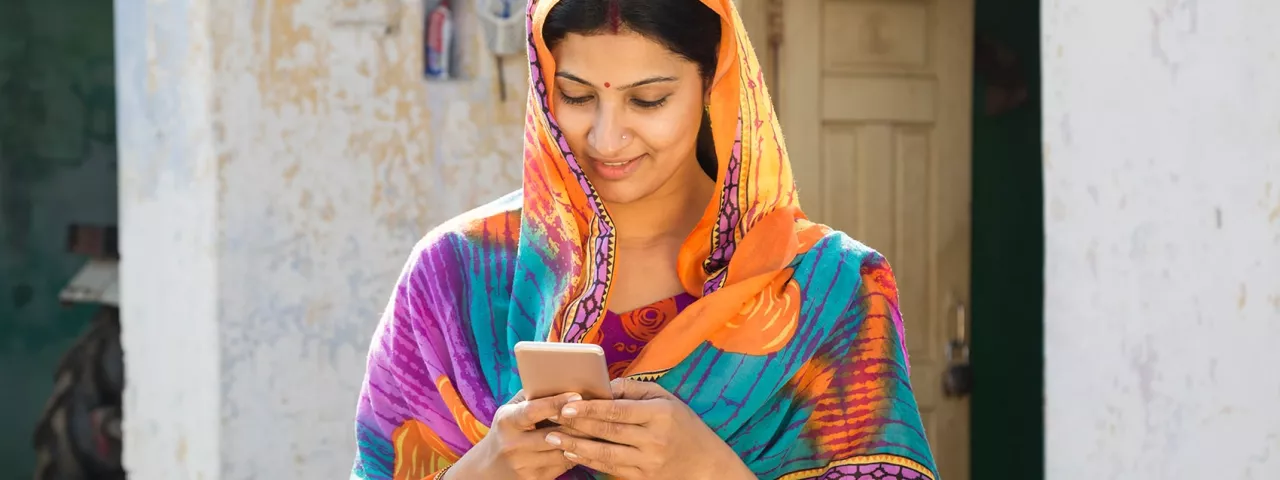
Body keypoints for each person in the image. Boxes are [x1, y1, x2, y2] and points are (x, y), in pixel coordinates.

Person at [352, 0, 939, 478]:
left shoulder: (826, 289)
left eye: (648, 99)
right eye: (577, 95)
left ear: (713, 82)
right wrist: (487, 470)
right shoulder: (455, 274)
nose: (607, 138)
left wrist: (707, 471)